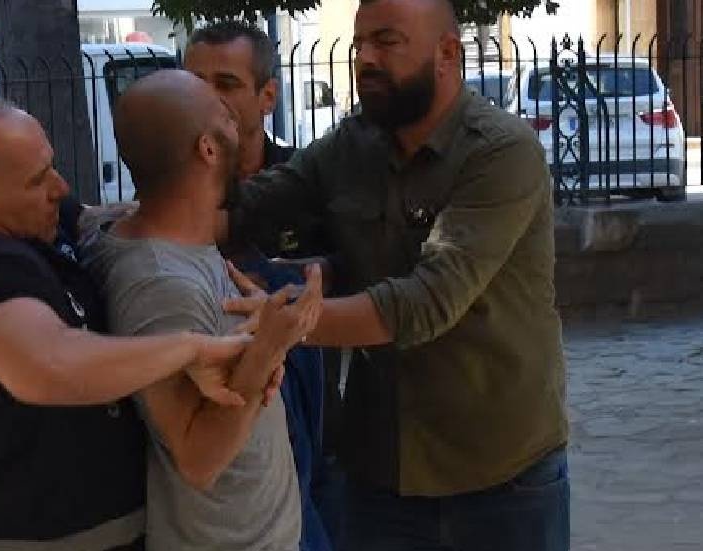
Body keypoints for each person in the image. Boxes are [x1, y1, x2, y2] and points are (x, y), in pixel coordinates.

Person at [223, 1, 570, 550]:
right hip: (381, 475)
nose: (365, 58)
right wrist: (145, 220)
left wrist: (286, 324)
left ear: (448, 53)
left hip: (501, 477)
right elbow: (254, 205)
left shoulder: (502, 152)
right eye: (359, 44)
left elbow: (427, 301)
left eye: (386, 41)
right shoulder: (352, 146)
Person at [0, 94, 256, 551]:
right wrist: (189, 349)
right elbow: (49, 365)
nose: (60, 187)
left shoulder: (18, 213)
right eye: (38, 179)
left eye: (51, 166)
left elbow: (102, 220)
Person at [82, 69, 322, 551]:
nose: (240, 128)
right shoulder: (160, 285)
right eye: (226, 118)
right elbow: (197, 459)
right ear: (207, 150)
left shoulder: (161, 233)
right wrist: (269, 348)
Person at [184, 21, 339, 551]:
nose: (208, 97)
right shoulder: (173, 186)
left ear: (268, 96)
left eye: (226, 83)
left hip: (310, 416)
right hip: (220, 426)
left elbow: (355, 265)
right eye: (195, 82)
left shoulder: (307, 181)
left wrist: (298, 280)